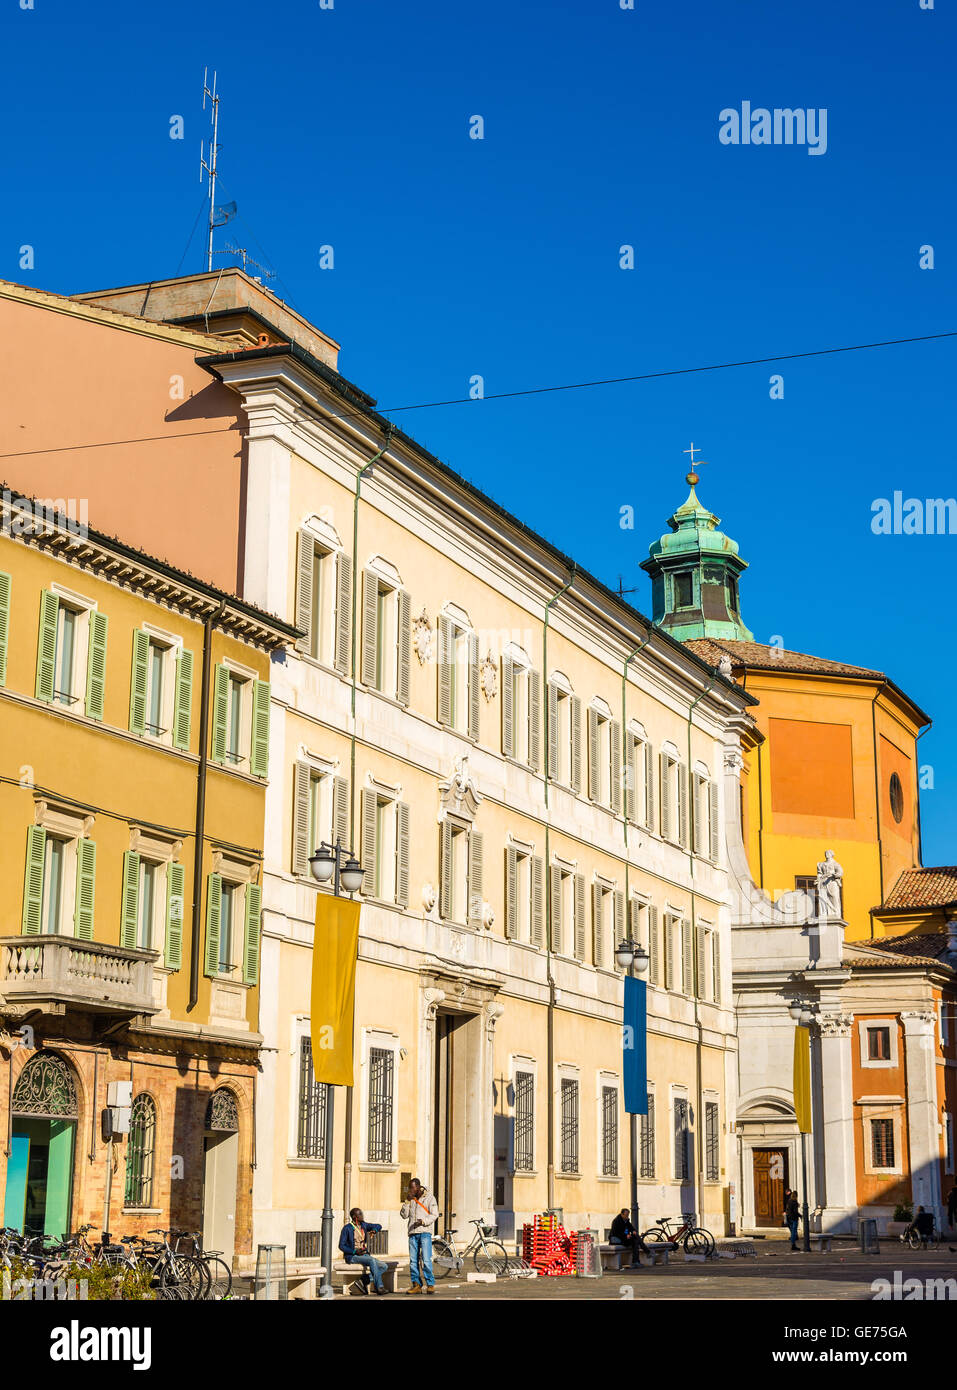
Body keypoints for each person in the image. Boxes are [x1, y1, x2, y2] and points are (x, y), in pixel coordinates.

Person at [400, 1178, 439, 1294]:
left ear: (418, 1187)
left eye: (412, 1188)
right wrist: (406, 1202)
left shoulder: (430, 1198)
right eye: (409, 1188)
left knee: (426, 1260)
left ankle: (430, 1284)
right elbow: (404, 1215)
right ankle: (416, 1284)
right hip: (412, 1233)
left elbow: (434, 1215)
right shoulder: (410, 1200)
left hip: (425, 1232)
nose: (410, 1190)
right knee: (413, 1261)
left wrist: (423, 1222)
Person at [338, 1207, 388, 1295]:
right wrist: (354, 1251)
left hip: (364, 1255)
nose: (362, 1215)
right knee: (372, 1260)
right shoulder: (347, 1228)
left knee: (384, 1266)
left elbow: (379, 1226)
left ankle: (363, 1280)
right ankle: (379, 1287)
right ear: (354, 1217)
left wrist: (374, 1230)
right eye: (360, 1214)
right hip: (353, 1256)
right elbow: (341, 1246)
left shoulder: (364, 1225)